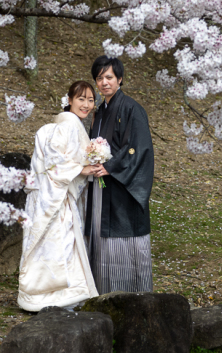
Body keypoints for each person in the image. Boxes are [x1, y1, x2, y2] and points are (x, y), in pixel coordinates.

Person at [17, 81, 102, 311]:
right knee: (59, 244)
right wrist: (81, 169)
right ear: (70, 100)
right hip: (56, 195)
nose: (86, 105)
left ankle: (39, 298)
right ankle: (57, 299)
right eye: (81, 99)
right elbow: (55, 157)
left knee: (51, 245)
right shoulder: (68, 125)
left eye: (90, 100)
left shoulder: (61, 123)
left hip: (48, 193)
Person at [85, 56, 155, 293]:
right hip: (102, 184)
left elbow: (138, 147)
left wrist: (111, 166)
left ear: (120, 79)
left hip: (120, 185)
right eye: (99, 78)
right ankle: (101, 289)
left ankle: (127, 291)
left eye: (109, 77)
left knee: (120, 236)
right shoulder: (100, 111)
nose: (104, 82)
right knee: (100, 232)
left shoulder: (132, 109)